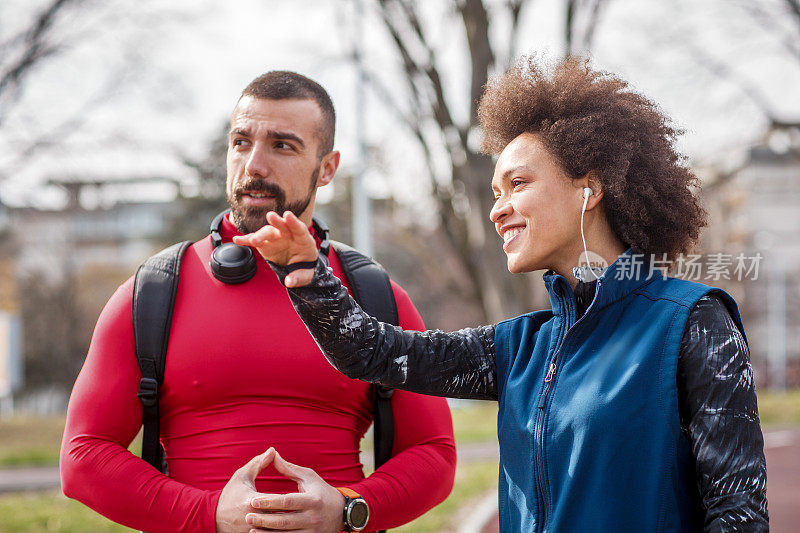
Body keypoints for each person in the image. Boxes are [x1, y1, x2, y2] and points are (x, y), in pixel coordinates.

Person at [237, 58, 769, 532]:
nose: (497, 209)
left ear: (590, 188)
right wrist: (305, 268)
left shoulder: (692, 321)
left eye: (518, 184)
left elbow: (739, 514)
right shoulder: (520, 346)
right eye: (495, 193)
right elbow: (375, 353)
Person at [60, 71, 456, 533]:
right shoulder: (152, 292)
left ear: (327, 167)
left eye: (282, 146)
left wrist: (345, 508)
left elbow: (435, 454)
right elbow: (83, 455)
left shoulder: (374, 295)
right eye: (241, 142)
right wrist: (206, 514)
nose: (253, 165)